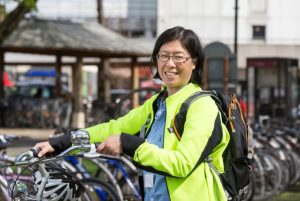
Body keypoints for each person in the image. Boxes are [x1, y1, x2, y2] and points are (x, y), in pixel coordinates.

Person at [34, 26, 230, 201]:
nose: (170, 64)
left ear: (194, 62)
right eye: (163, 56)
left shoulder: (202, 105)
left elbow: (182, 164)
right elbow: (114, 127)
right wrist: (59, 142)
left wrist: (128, 143)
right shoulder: (157, 103)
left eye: (179, 57)